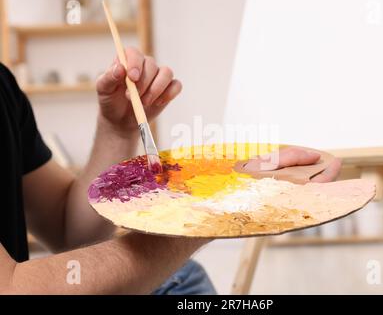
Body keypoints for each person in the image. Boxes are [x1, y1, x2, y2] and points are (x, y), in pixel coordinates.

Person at [0, 48, 341, 294]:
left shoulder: (3, 86)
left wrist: (118, 130)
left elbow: (70, 233)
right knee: (181, 283)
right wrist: (216, 211)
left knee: (181, 277)